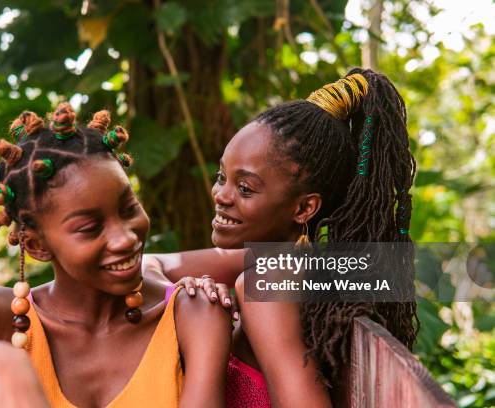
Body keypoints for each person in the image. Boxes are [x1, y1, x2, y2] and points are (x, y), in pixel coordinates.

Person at [0, 104, 231, 408]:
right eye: (89, 228)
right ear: (36, 246)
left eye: (129, 208)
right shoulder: (7, 319)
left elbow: (278, 265)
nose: (125, 238)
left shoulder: (186, 309)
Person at [145, 68, 419, 407]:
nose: (220, 194)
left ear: (304, 208)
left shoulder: (268, 282)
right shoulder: (290, 264)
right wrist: (187, 291)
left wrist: (193, 308)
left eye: (244, 188)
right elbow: (145, 265)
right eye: (222, 176)